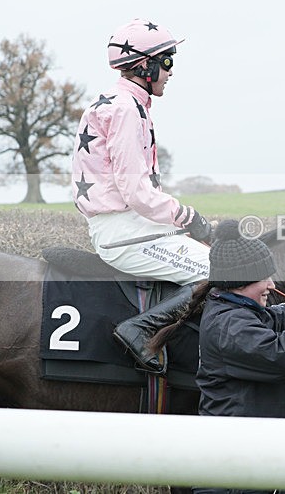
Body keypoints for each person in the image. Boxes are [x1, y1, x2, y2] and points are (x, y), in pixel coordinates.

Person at [70, 18, 212, 373]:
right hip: (126, 232)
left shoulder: (125, 103)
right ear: (143, 65)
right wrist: (188, 216)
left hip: (133, 226)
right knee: (217, 272)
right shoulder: (125, 109)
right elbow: (136, 192)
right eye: (166, 61)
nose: (170, 71)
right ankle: (138, 329)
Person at [189, 220, 285, 494]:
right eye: (264, 278)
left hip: (252, 463)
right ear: (241, 282)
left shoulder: (240, 313)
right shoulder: (230, 326)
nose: (271, 284)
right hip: (233, 477)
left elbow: (282, 321)